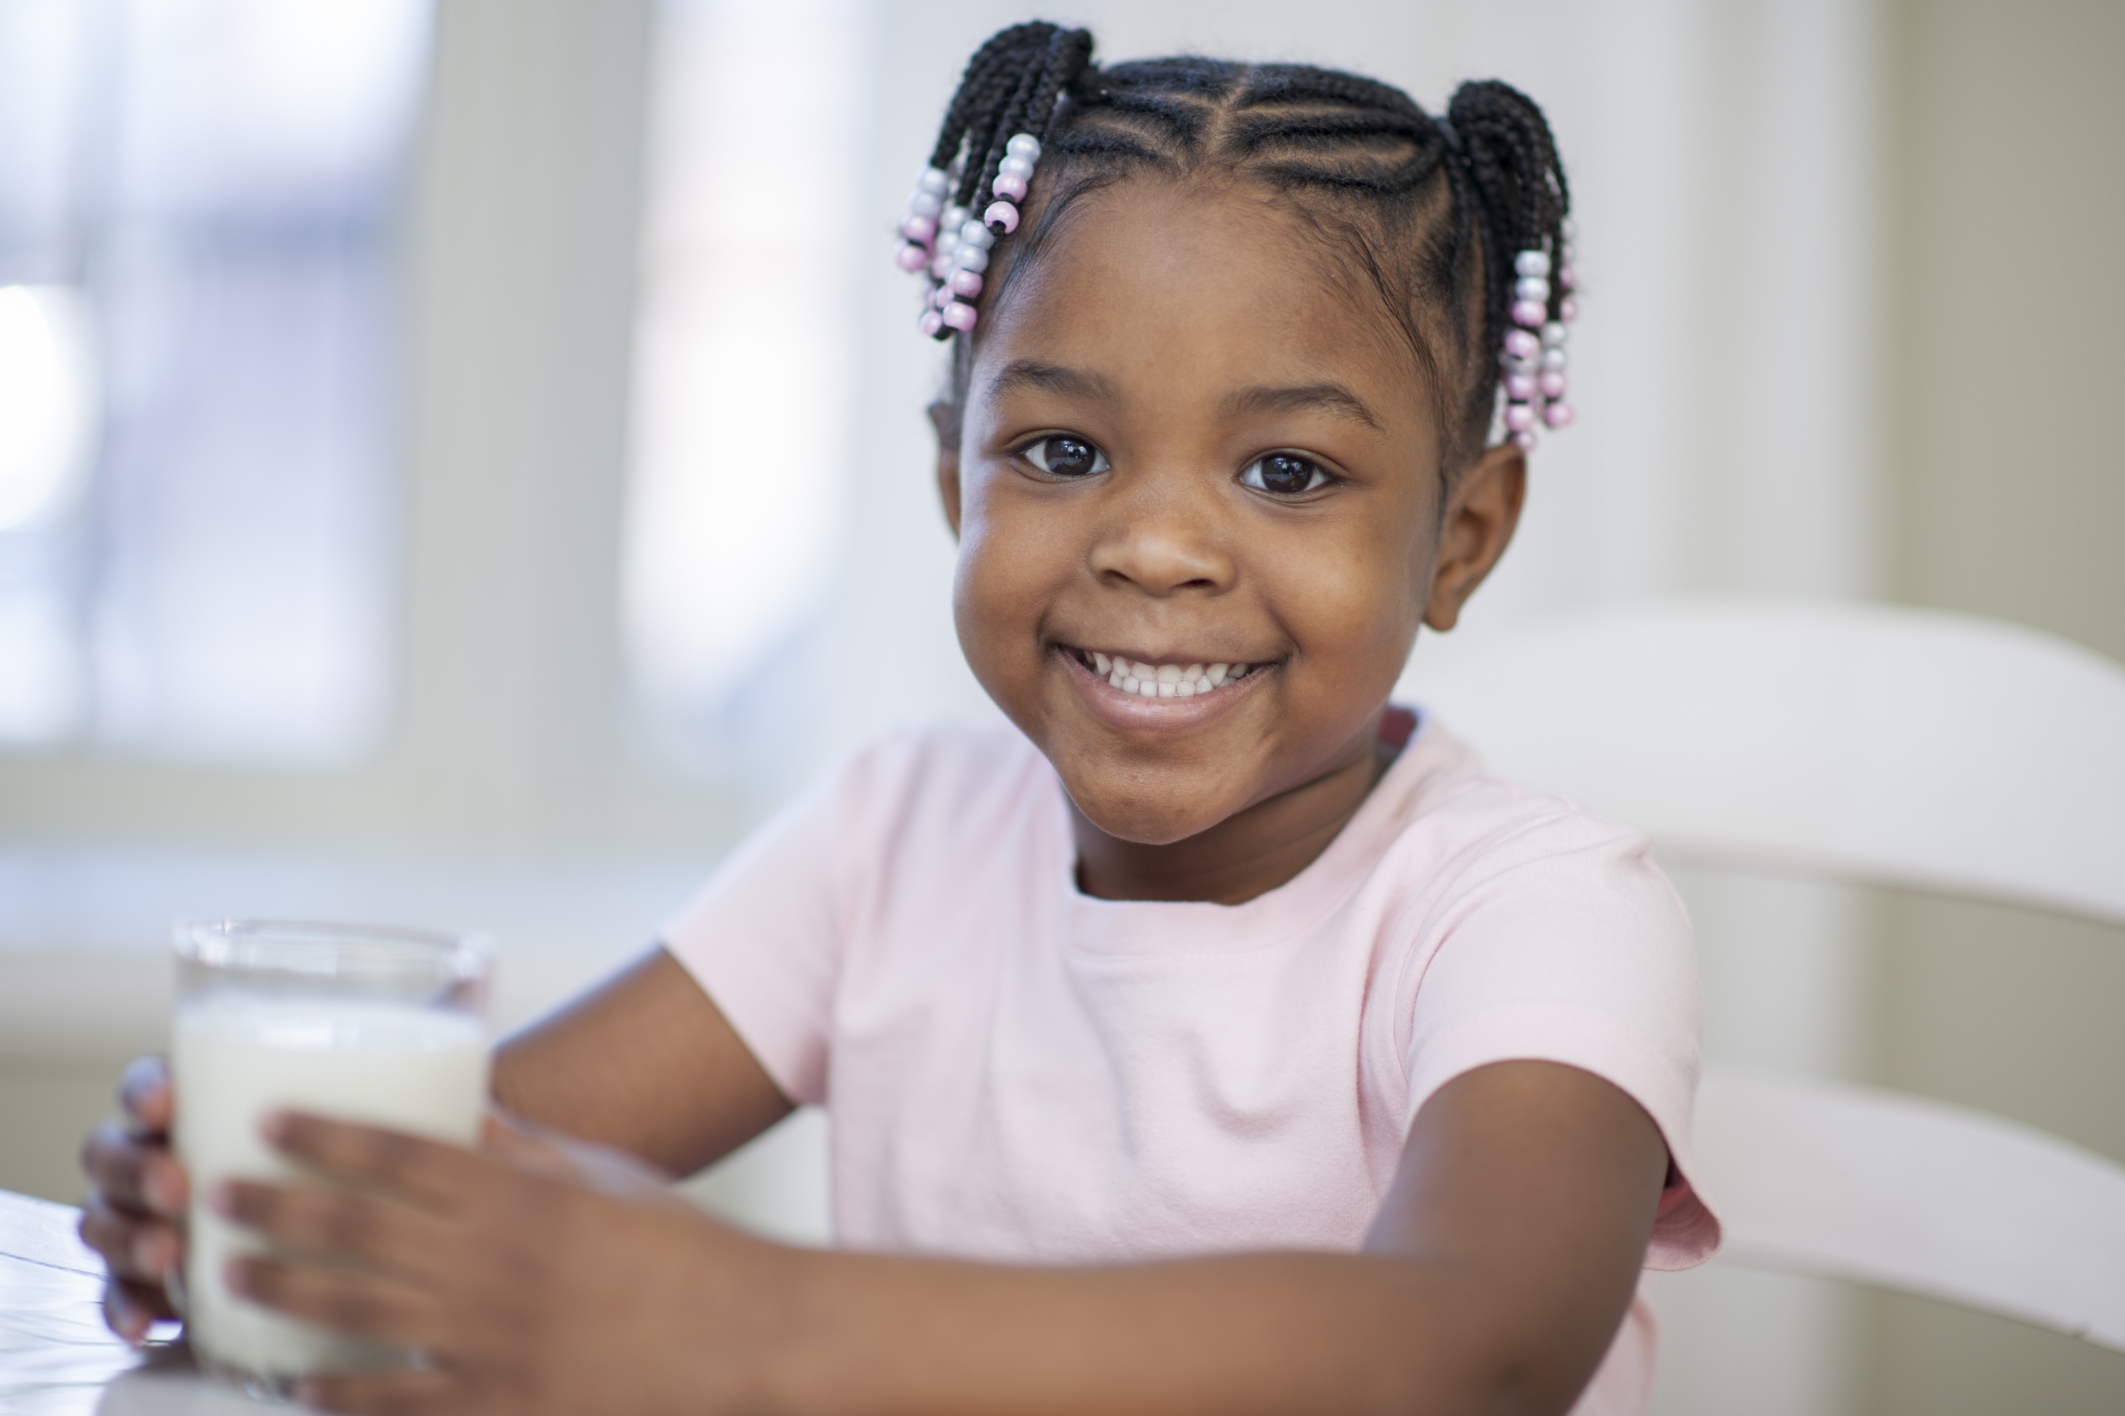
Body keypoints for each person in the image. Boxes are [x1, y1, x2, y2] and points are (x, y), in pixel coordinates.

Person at [80, 22, 1719, 1416]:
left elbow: (1473, 1349)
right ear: (953, 477)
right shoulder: (896, 840)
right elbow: (486, 1175)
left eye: (1286, 471)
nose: (1153, 544)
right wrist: (280, 1208)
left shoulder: (1532, 911)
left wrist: (742, 1323)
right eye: (1060, 452)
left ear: (1462, 538)